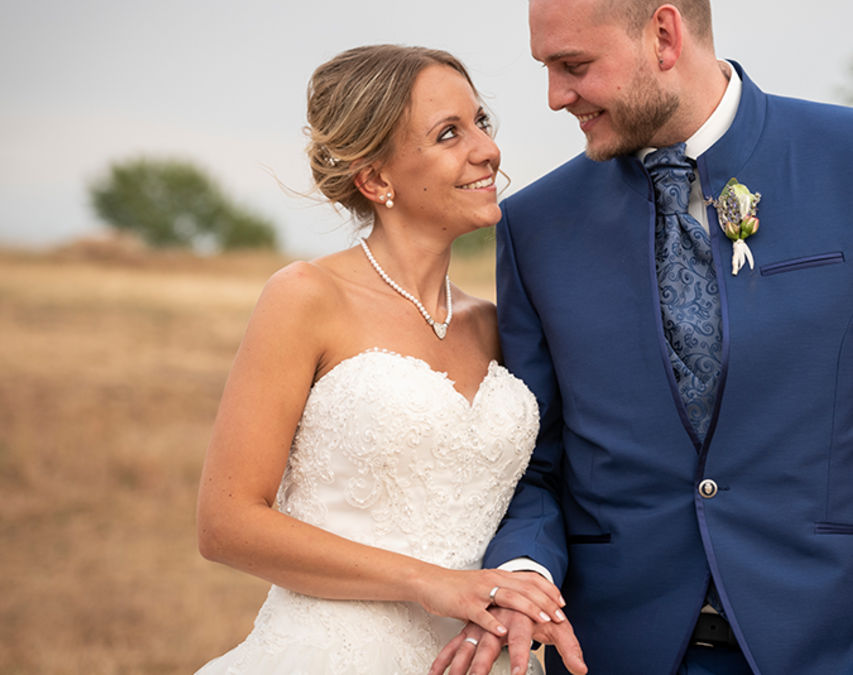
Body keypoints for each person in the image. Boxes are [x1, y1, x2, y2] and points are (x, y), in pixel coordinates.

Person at [433, 1, 853, 674]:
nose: (557, 96)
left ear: (665, 36)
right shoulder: (534, 225)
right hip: (613, 653)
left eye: (574, 66)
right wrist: (525, 569)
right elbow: (533, 458)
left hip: (844, 646)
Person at [192, 44, 574, 675]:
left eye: (482, 122)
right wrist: (433, 583)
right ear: (376, 179)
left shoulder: (495, 325)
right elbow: (226, 524)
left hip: (473, 657)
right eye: (449, 134)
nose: (486, 150)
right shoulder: (307, 297)